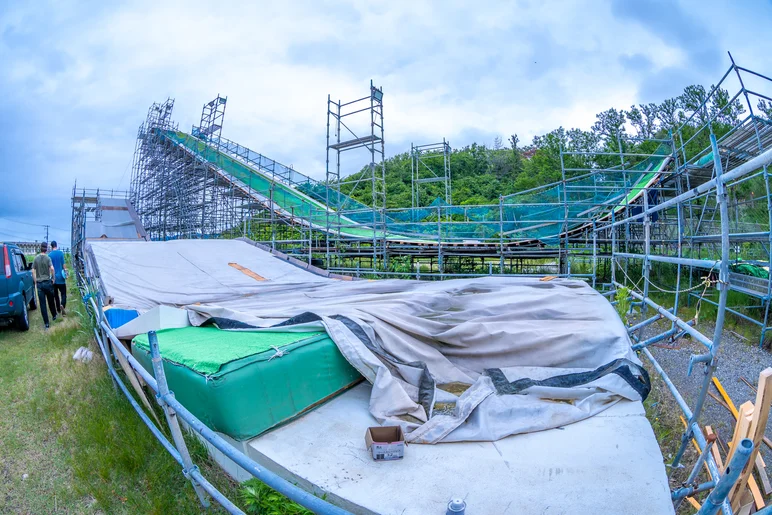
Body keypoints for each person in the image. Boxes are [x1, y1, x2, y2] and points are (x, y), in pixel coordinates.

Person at [32, 242, 57, 330]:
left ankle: (46, 323)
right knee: (51, 300)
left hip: (39, 284)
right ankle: (54, 315)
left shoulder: (36, 259)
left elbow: (33, 271)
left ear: (40, 248)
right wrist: (53, 278)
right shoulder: (48, 258)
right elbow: (52, 269)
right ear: (46, 249)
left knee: (42, 304)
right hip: (47, 282)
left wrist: (35, 281)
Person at [49, 241, 67, 316]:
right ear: (56, 245)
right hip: (61, 277)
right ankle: (62, 304)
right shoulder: (60, 253)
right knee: (63, 293)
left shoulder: (49, 255)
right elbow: (64, 265)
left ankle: (58, 309)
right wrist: (66, 273)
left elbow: (50, 267)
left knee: (55, 295)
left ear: (51, 246)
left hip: (54, 278)